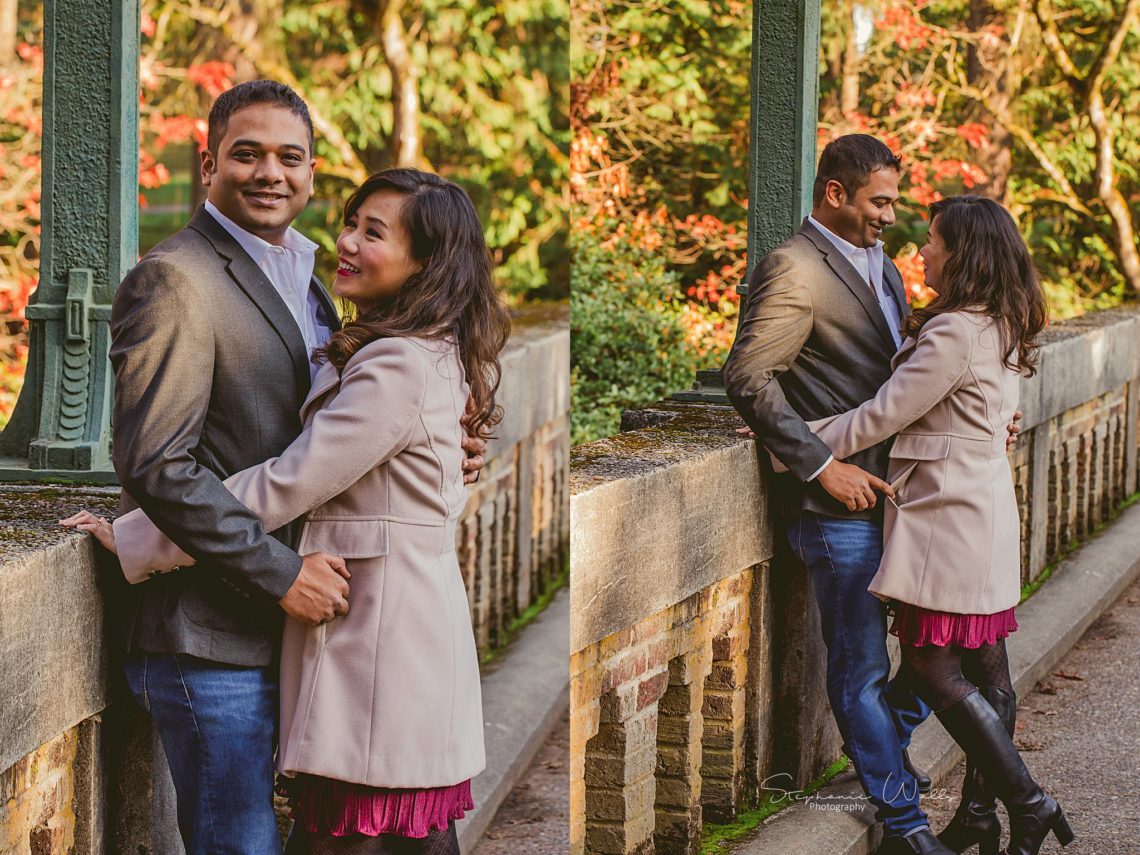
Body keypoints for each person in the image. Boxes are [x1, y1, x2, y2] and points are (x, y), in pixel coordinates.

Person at [63, 81, 483, 855]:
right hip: (210, 635)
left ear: (311, 170)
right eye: (247, 153)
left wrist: (436, 444)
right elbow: (157, 463)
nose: (269, 173)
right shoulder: (176, 279)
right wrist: (277, 571)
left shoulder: (315, 285)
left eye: (289, 156)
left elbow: (333, 438)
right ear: (209, 161)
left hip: (297, 632)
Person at [799, 196, 1071, 855]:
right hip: (980, 512)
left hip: (950, 519)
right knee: (988, 673)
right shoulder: (1001, 322)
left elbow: (879, 416)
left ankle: (1029, 801)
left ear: (964, 252)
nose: (921, 249)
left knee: (930, 662)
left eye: (933, 239)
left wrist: (793, 441)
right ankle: (982, 817)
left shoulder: (955, 332)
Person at [724, 134, 942, 855]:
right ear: (835, 194)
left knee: (942, 651)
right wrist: (821, 465)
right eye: (879, 202)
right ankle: (903, 820)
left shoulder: (882, 266)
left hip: (895, 497)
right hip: (832, 508)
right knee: (859, 667)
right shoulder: (792, 265)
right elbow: (748, 376)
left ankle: (885, 763)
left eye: (895, 201)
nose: (890, 216)